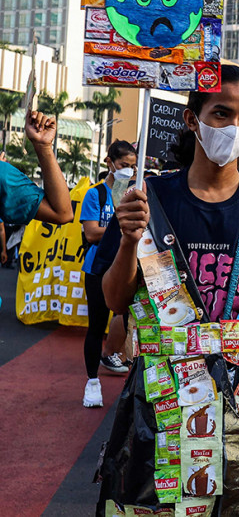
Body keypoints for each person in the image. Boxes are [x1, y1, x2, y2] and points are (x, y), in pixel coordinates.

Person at [94, 65, 239, 516]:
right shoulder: (145, 199)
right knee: (154, 505)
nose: (234, 127)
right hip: (161, 400)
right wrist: (130, 241)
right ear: (192, 119)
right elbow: (115, 300)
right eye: (221, 113)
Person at [81, 140, 137, 409]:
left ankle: (113, 357)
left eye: (132, 166)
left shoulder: (135, 195)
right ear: (110, 163)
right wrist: (122, 228)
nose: (128, 171)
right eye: (124, 165)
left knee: (127, 320)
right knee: (96, 325)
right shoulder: (96, 195)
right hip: (97, 269)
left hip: (127, 267)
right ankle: (92, 382)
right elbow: (91, 233)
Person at [0, 110, 73, 225]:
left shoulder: (2, 174)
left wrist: (43, 146)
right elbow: (63, 213)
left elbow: (63, 213)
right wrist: (44, 147)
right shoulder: (2, 174)